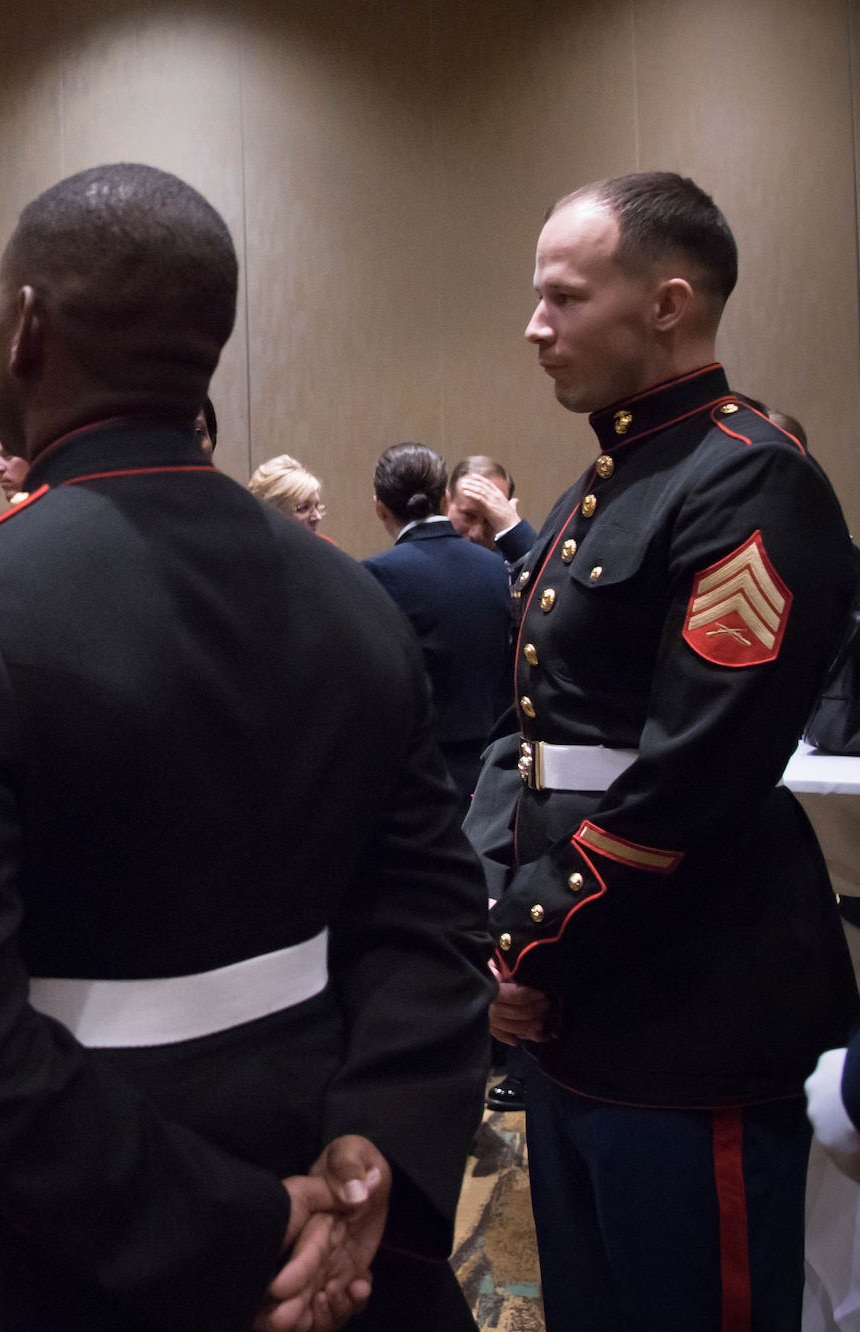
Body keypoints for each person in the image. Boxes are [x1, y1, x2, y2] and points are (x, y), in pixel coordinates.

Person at [0, 162, 492, 1332]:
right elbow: (430, 919)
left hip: (67, 1241)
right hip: (341, 1212)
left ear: (26, 329)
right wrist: (372, 1158)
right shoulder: (348, 596)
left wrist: (238, 1231)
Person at [476, 171, 856, 1331]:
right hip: (571, 1007)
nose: (534, 328)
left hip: (688, 1010)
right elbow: (528, 735)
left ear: (666, 304)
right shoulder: (612, 478)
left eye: (563, 298)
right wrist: (490, 923)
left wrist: (528, 942)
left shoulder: (746, 478)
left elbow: (690, 777)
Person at [363, 443, 511, 807]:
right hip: (493, 772)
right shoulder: (496, 567)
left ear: (379, 506)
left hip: (420, 777)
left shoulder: (378, 575)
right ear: (445, 498)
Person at [446, 457, 537, 564]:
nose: (476, 534)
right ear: (446, 503)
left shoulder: (514, 560)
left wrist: (513, 527)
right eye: (469, 516)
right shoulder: (425, 555)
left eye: (489, 520)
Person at [247, 453, 326, 534]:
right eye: (303, 508)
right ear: (272, 513)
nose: (318, 517)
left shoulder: (326, 545)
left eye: (316, 506)